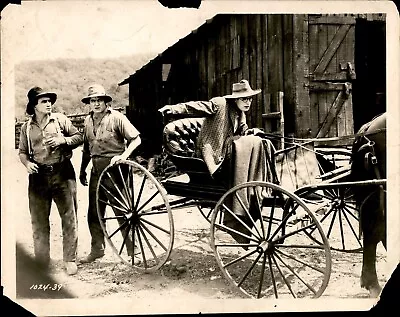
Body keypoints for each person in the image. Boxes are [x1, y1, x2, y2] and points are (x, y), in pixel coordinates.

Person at [159, 79, 276, 243]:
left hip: (227, 152)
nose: (248, 102)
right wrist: (172, 108)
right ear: (235, 99)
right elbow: (197, 106)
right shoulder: (219, 104)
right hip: (211, 152)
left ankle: (253, 181)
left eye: (249, 98)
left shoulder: (240, 114)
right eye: (244, 99)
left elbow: (242, 132)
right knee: (250, 143)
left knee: (258, 141)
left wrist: (252, 131)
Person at [18, 86, 83, 275]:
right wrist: (27, 164)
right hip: (38, 176)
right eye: (43, 102)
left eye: (49, 101)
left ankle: (70, 259)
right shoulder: (26, 127)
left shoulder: (61, 119)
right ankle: (42, 261)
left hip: (63, 173)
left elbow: (79, 137)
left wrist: (64, 140)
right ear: (34, 106)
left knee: (69, 218)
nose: (48, 104)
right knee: (38, 220)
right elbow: (22, 152)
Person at [79, 84, 141, 263]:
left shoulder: (116, 118)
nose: (96, 103)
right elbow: (86, 148)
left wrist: (123, 156)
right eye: (93, 100)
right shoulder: (87, 121)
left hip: (116, 170)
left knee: (121, 210)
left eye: (99, 100)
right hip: (96, 169)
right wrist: (83, 169)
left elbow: (136, 139)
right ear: (89, 103)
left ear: (106, 102)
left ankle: (133, 251)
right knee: (94, 211)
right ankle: (97, 249)